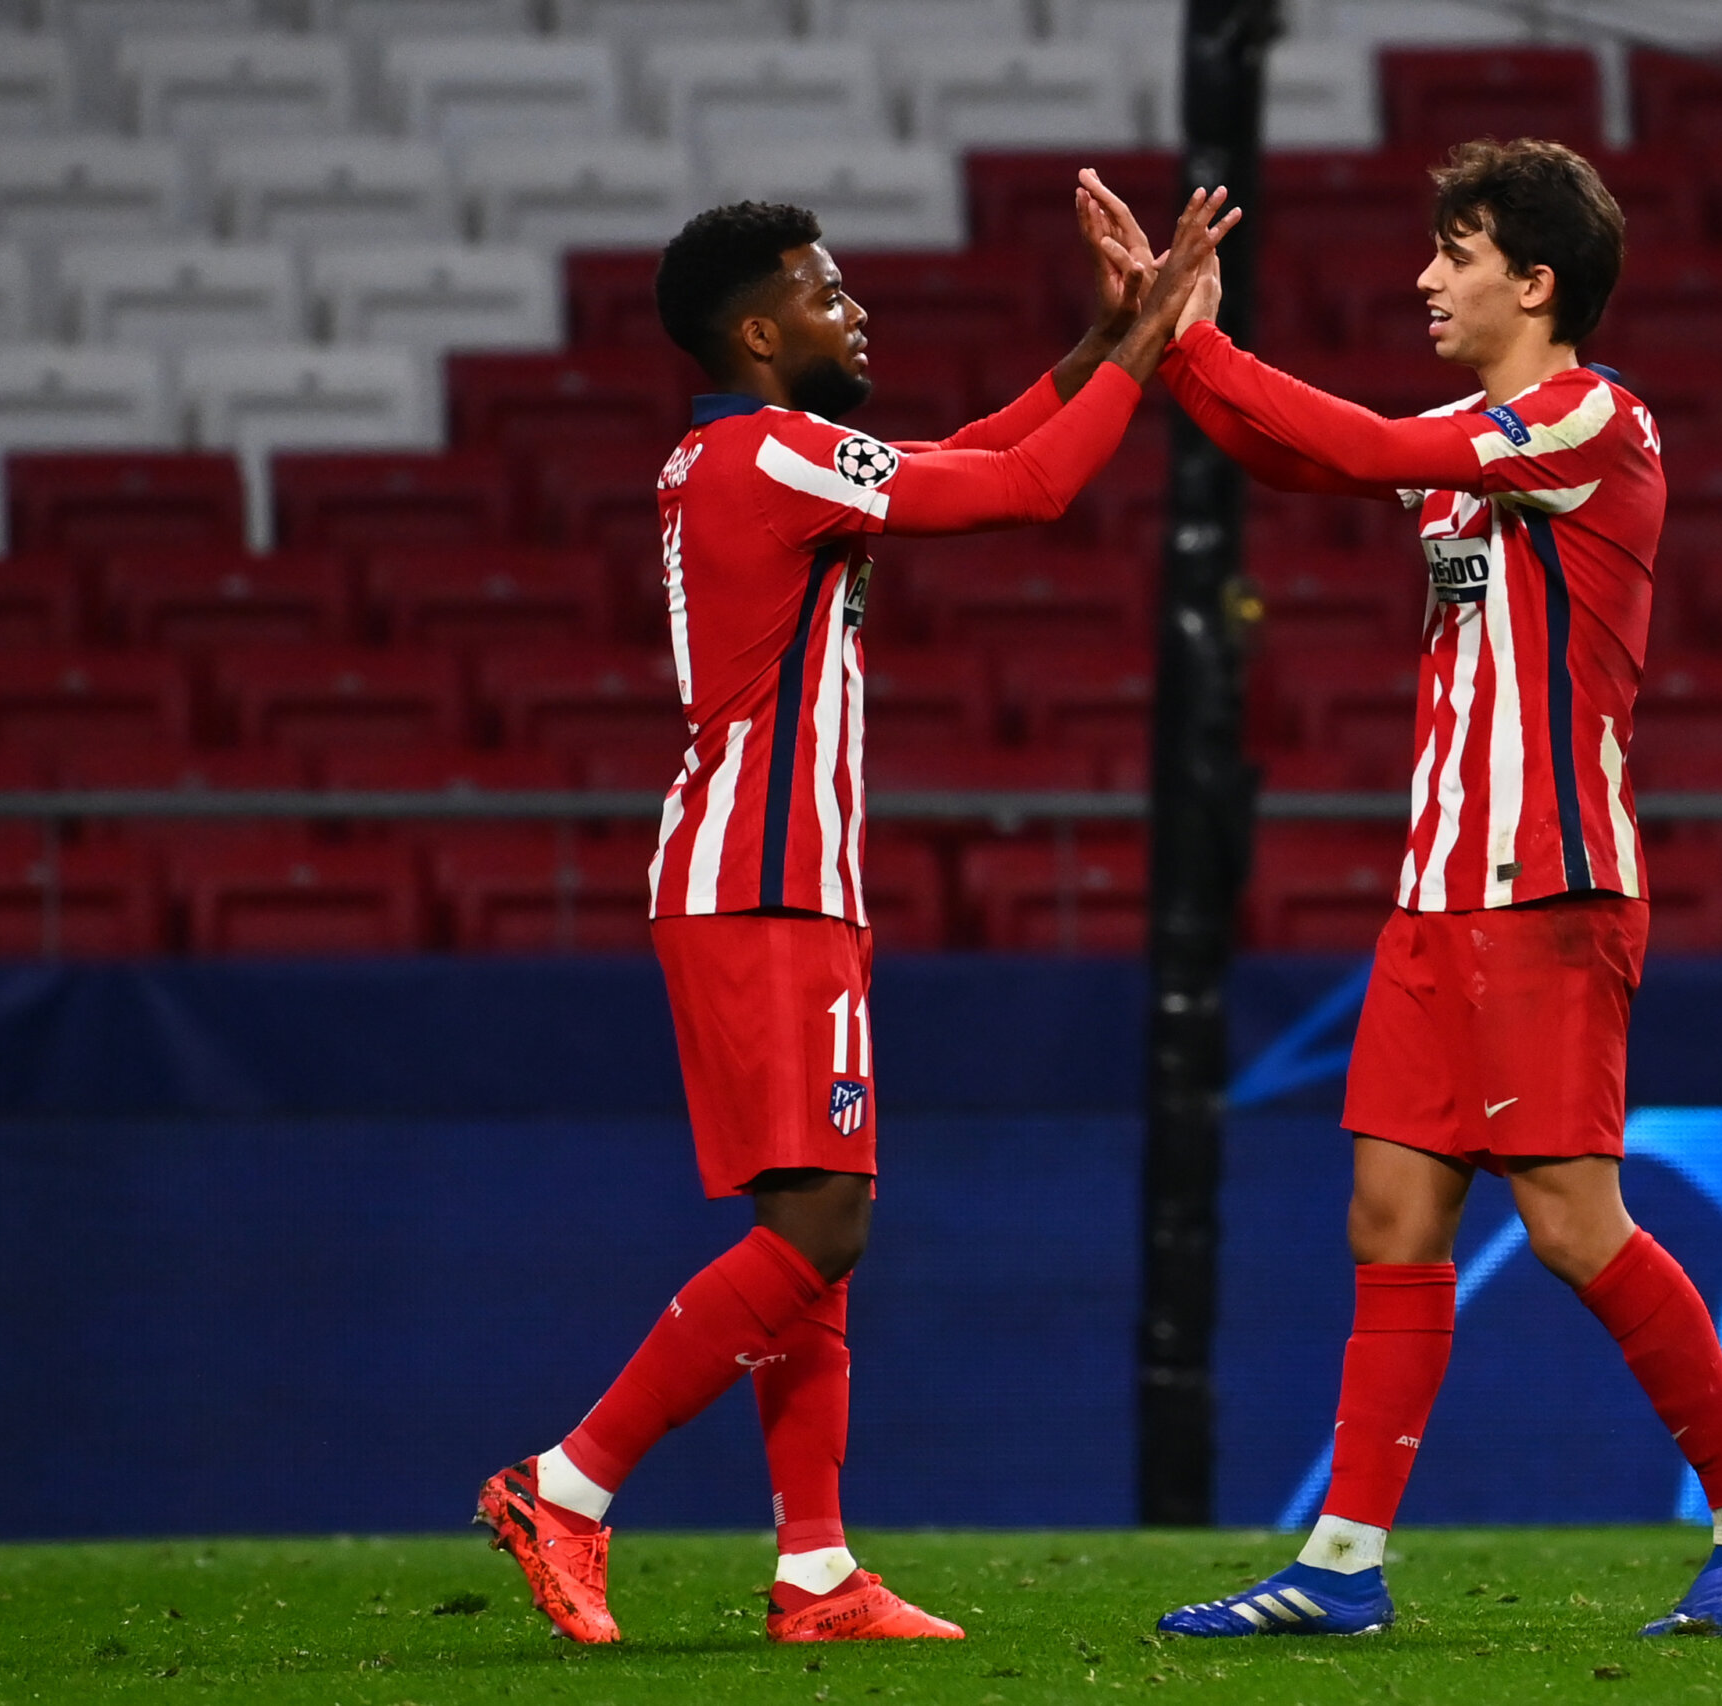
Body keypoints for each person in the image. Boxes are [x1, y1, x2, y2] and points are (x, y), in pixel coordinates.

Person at [1081, 139, 1722, 1641]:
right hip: (1439, 894)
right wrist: (1173, 344)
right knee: (1391, 1208)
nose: (1426, 276)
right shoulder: (1481, 434)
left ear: (1535, 281)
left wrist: (1189, 334)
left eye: (1458, 251)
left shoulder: (1591, 422)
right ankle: (1344, 1564)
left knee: (1570, 1222)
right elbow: (1307, 454)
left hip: (1547, 888)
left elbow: (1352, 448)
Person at [475, 184, 1240, 1647]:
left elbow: (970, 450)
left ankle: (816, 1571)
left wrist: (1094, 343)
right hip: (764, 889)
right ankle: (568, 1483)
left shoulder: (755, 456)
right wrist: (1147, 347)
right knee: (827, 1220)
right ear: (758, 331)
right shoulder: (769, 459)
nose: (857, 311)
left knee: (811, 1224)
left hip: (766, 882)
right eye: (827, 295)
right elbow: (1026, 488)